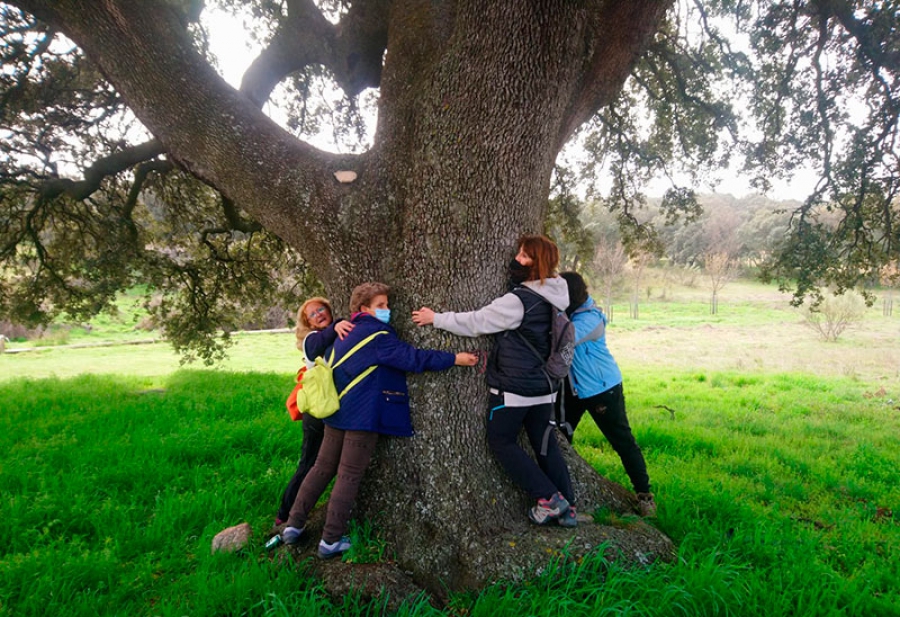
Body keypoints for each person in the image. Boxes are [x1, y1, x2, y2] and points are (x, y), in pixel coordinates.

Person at [283, 282, 478, 558]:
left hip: (335, 412)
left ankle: (294, 525)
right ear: (365, 309)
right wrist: (454, 358)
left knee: (321, 468)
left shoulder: (341, 332)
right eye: (381, 306)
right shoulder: (377, 335)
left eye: (387, 304)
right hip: (362, 415)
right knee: (348, 475)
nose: (387, 310)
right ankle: (330, 540)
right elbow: (413, 359)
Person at [412, 234, 577, 527]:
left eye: (525, 256)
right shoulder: (559, 294)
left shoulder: (519, 300)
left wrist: (436, 318)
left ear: (536, 263)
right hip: (545, 387)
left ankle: (550, 499)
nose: (517, 260)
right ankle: (569, 505)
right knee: (544, 443)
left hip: (514, 389)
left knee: (501, 441)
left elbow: (476, 323)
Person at [559, 271, 656, 517]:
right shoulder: (569, 313)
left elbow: (565, 339)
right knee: (559, 436)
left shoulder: (591, 319)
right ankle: (560, 493)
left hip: (603, 389)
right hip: (574, 389)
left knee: (622, 440)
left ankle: (644, 496)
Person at [275, 297, 354, 526]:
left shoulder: (331, 334)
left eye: (321, 309)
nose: (319, 314)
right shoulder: (311, 340)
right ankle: (284, 513)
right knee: (309, 464)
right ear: (307, 323)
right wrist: (338, 323)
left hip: (328, 411)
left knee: (325, 464)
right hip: (315, 415)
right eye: (312, 314)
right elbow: (324, 337)